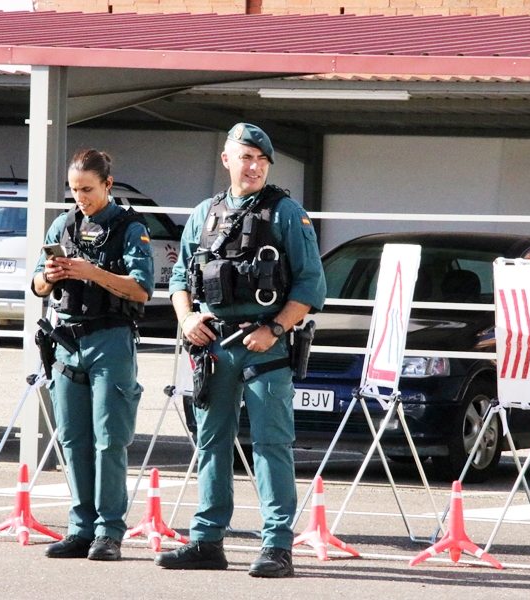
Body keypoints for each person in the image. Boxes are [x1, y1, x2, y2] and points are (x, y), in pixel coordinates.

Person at [155, 123, 326, 578]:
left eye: (261, 161)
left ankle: (277, 546)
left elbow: (311, 284)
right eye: (245, 157)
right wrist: (187, 318)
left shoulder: (286, 213)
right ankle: (207, 541)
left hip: (263, 346)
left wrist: (274, 328)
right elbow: (178, 279)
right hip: (213, 347)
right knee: (211, 445)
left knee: (272, 446)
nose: (253, 167)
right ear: (227, 159)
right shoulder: (203, 214)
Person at [31, 149, 154, 561]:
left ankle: (109, 532)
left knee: (108, 440)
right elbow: (35, 283)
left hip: (110, 339)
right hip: (67, 341)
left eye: (87, 189)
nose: (79, 197)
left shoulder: (129, 228)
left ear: (107, 185)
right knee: (73, 439)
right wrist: (47, 279)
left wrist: (92, 272)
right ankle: (80, 529)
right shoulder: (63, 224)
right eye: (74, 189)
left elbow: (141, 289)